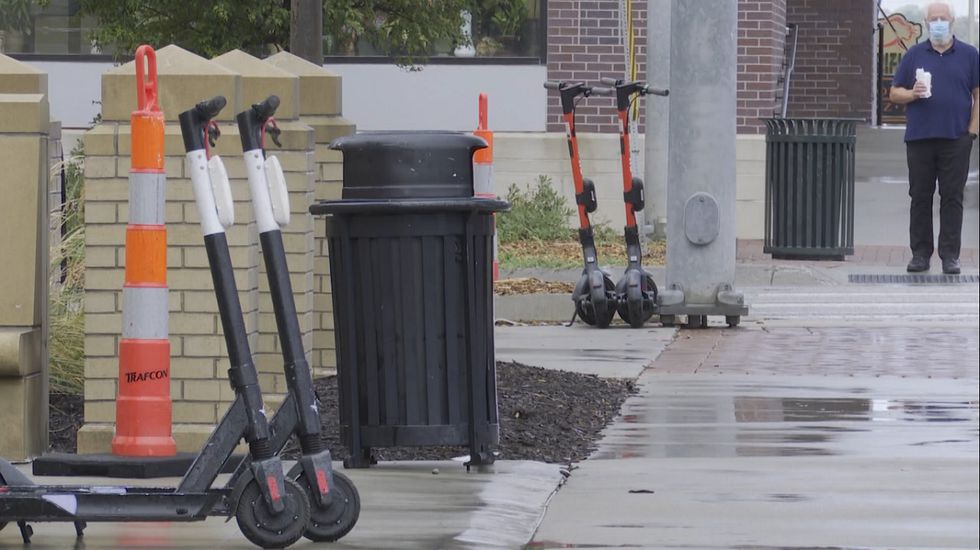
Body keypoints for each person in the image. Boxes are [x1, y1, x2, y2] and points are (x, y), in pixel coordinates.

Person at [889, 1, 979, 275]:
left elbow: (978, 95)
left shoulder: (969, 54)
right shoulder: (915, 54)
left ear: (952, 23)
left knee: (952, 197)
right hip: (920, 139)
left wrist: (971, 132)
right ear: (926, 24)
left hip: (956, 139)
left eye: (943, 18)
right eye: (933, 19)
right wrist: (913, 94)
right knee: (920, 196)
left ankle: (950, 255)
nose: (938, 22)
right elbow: (894, 93)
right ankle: (920, 254)